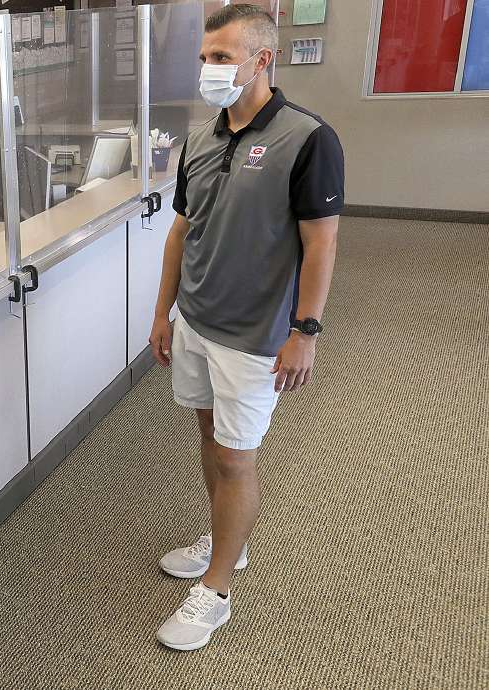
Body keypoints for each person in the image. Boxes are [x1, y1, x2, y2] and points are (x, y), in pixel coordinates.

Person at [148, 4, 343, 650]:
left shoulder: (307, 139)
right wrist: (163, 311)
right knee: (208, 432)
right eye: (205, 58)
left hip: (256, 336)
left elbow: (321, 243)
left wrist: (305, 330)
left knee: (236, 458)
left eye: (222, 58)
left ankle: (219, 588)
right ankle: (226, 539)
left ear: (263, 60)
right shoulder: (199, 141)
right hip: (198, 322)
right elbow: (181, 230)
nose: (209, 69)